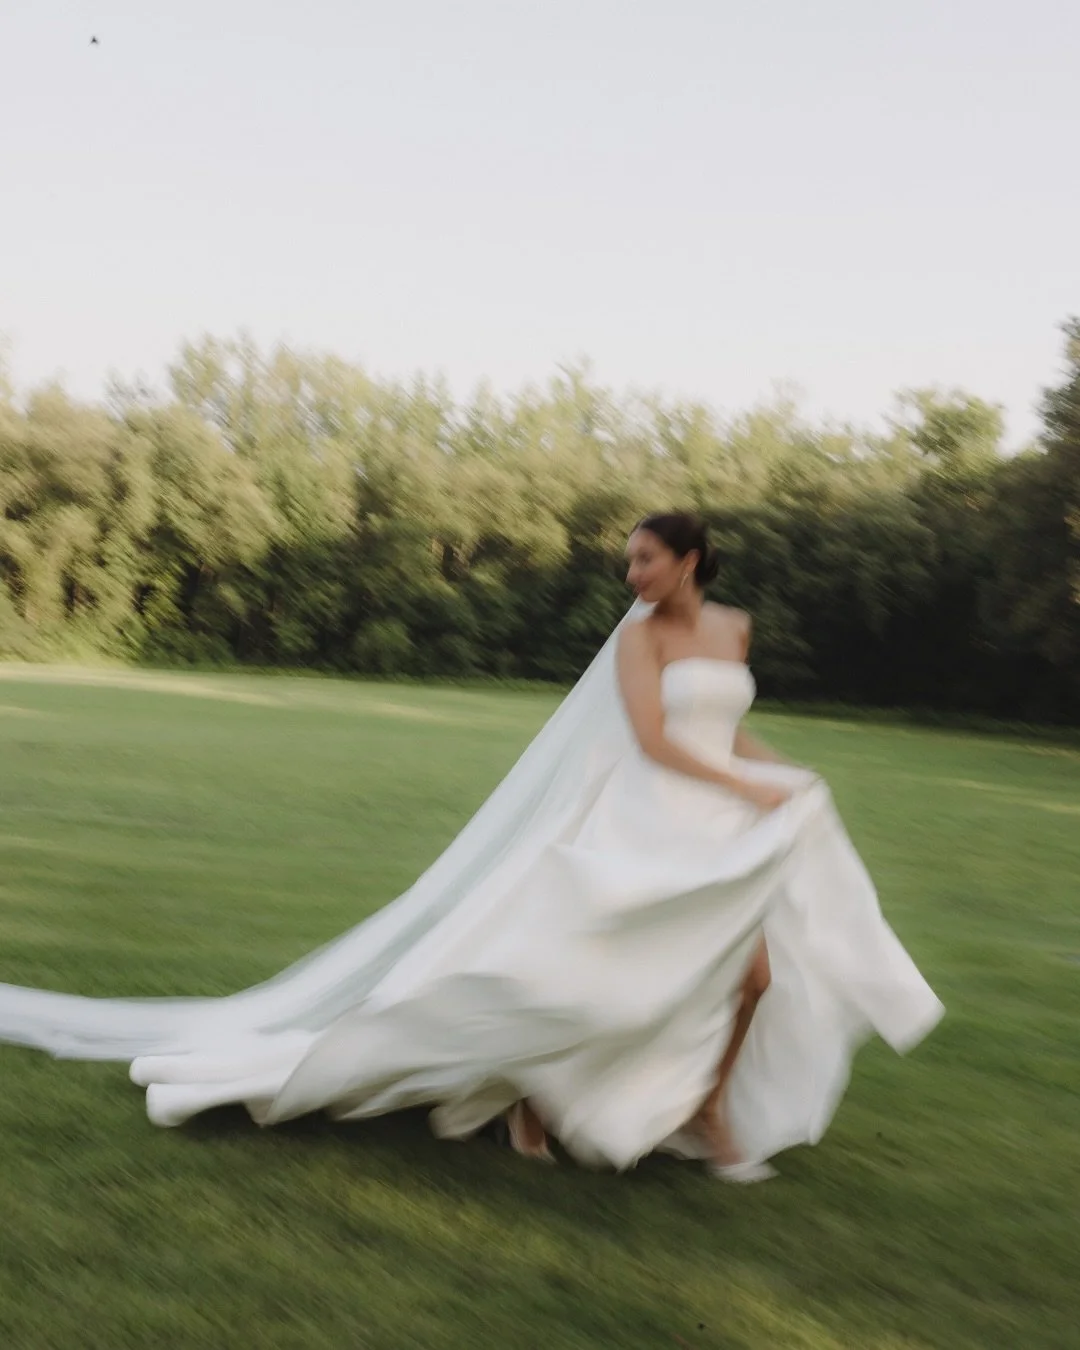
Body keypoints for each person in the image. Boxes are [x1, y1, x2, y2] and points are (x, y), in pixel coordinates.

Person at [0, 512, 943, 1184]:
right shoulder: (638, 638)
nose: (633, 576)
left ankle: (705, 1110)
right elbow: (659, 742)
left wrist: (785, 776)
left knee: (753, 979)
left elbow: (729, 732)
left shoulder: (733, 631)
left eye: (646, 560)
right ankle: (541, 1094)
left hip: (717, 820)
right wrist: (747, 787)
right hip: (650, 816)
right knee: (599, 969)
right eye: (628, 563)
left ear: (691, 560)